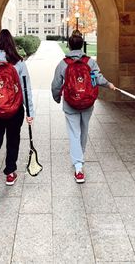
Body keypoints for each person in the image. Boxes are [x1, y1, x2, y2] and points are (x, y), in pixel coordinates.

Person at [51, 31, 115, 183]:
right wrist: (109, 84)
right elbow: (98, 78)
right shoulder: (90, 62)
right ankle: (80, 155)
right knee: (84, 130)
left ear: (69, 45)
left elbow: (56, 85)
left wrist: (56, 98)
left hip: (70, 103)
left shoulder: (63, 64)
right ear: (82, 45)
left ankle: (78, 167)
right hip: (87, 103)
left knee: (74, 132)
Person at [0, 29, 34, 202]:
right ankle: (10, 173)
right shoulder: (18, 63)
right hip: (15, 110)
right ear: (12, 43)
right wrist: (30, 112)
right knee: (13, 140)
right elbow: (26, 89)